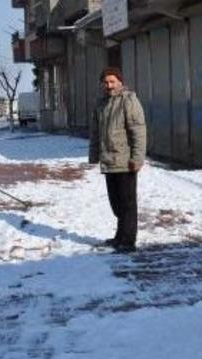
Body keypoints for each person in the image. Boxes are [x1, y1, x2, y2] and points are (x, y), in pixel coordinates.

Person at [89, 67, 147, 253]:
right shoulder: (101, 104)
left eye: (112, 81)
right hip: (108, 160)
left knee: (127, 203)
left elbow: (138, 131)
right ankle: (120, 236)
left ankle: (128, 241)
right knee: (116, 203)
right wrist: (94, 155)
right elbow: (95, 132)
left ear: (120, 82)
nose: (109, 85)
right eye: (106, 82)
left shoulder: (129, 101)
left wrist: (137, 158)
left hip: (125, 160)